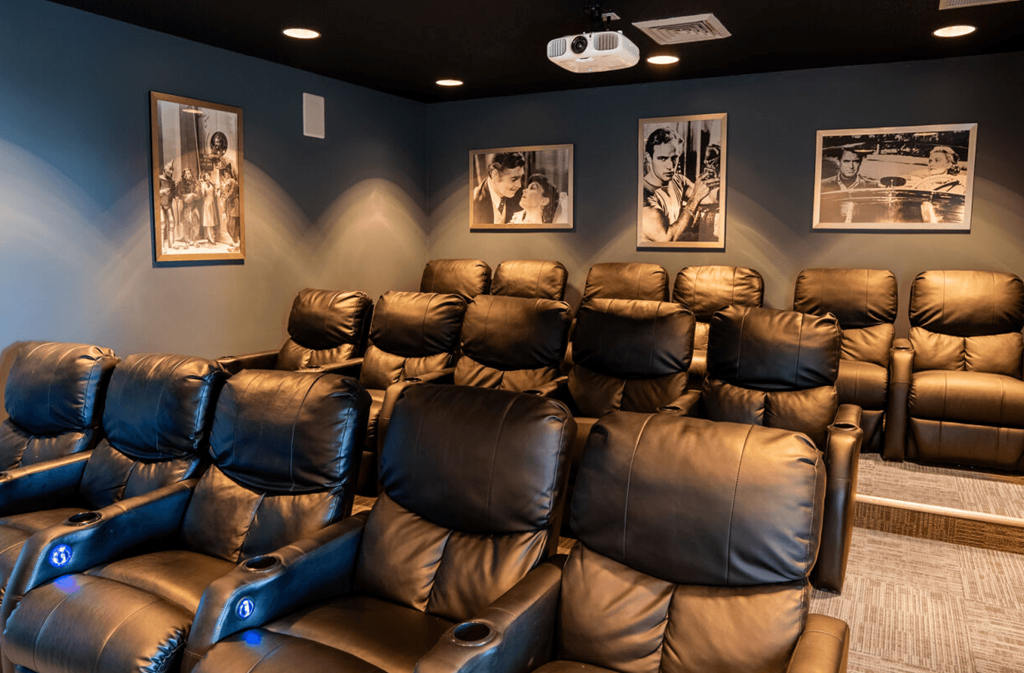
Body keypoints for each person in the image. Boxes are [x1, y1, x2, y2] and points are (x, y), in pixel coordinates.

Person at [641, 140, 721, 243]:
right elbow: (669, 239)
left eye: (674, 158)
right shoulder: (643, 197)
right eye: (662, 158)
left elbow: (709, 197)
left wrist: (719, 183)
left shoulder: (677, 180)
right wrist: (695, 197)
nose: (670, 165)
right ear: (648, 158)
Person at [471, 152, 524, 224]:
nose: (519, 185)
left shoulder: (521, 196)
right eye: (514, 179)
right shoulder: (473, 204)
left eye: (521, 178)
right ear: (495, 175)